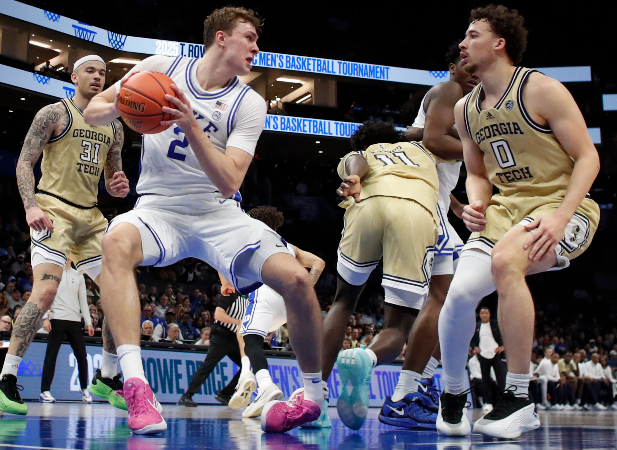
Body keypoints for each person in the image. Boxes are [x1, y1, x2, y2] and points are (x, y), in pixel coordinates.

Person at [84, 7, 323, 434]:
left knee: (297, 279)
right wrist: (119, 108)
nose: (256, 47)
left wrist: (189, 123)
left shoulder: (249, 103)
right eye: (248, 37)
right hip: (159, 207)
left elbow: (231, 180)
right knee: (114, 244)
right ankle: (136, 386)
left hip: (219, 213)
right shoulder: (161, 69)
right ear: (221, 38)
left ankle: (311, 397)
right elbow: (96, 109)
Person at [436, 5, 601, 439]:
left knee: (506, 261)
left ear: (499, 42)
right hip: (504, 211)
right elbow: (476, 173)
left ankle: (520, 396)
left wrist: (563, 215)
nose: (462, 43)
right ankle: (453, 394)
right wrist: (475, 204)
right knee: (459, 294)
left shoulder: (542, 89)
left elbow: (588, 156)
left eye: (472, 35)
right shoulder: (464, 110)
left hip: (562, 207)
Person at [0, 54, 129, 416]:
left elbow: (113, 180)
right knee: (46, 291)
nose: (98, 77)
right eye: (91, 72)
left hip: (91, 216)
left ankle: (107, 376)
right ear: (74, 76)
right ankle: (5, 378)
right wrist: (30, 205)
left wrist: (118, 185)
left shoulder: (114, 124)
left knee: (120, 295)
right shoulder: (54, 113)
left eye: (103, 73)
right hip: (53, 209)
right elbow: (23, 161)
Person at [380, 42, 479, 430]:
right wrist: (481, 149)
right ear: (453, 67)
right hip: (422, 205)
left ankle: (420, 384)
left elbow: (426, 143)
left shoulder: (458, 100)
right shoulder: (450, 90)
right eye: (465, 67)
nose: (472, 75)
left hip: (432, 203)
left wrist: (454, 204)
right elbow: (435, 141)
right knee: (445, 298)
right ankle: (405, 394)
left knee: (454, 300)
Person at [323, 119, 441, 431]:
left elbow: (355, 160)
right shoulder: (425, 150)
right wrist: (413, 132)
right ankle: (368, 359)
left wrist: (355, 176)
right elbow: (456, 135)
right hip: (415, 213)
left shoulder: (363, 154)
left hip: (367, 203)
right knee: (399, 326)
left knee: (343, 302)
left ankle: (315, 394)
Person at [229, 206, 325, 420]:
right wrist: (306, 290)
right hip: (287, 302)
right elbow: (319, 263)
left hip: (264, 295)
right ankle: (247, 374)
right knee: (242, 330)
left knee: (250, 339)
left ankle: (264, 384)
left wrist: (225, 283)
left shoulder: (249, 238)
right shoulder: (287, 246)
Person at [178, 288, 246, 408]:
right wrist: (238, 322)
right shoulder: (231, 294)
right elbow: (218, 315)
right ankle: (187, 395)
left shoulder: (249, 300)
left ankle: (225, 394)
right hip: (221, 334)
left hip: (235, 338)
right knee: (209, 364)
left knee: (248, 366)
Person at [39, 260, 95, 403]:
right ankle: (45, 390)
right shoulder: (52, 272)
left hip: (75, 320)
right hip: (57, 318)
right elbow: (45, 296)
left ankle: (84, 388)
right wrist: (45, 317)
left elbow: (83, 300)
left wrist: (88, 322)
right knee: (51, 355)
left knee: (82, 356)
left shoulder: (79, 275)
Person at [470, 307, 506, 412]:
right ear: (480, 315)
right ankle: (488, 402)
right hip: (483, 355)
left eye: (486, 313)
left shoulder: (496, 324)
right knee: (485, 380)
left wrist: (503, 346)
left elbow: (504, 336)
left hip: (495, 353)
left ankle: (503, 401)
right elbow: (472, 340)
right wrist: (474, 347)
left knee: (500, 379)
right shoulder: (477, 326)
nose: (484, 315)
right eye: (482, 313)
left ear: (490, 314)